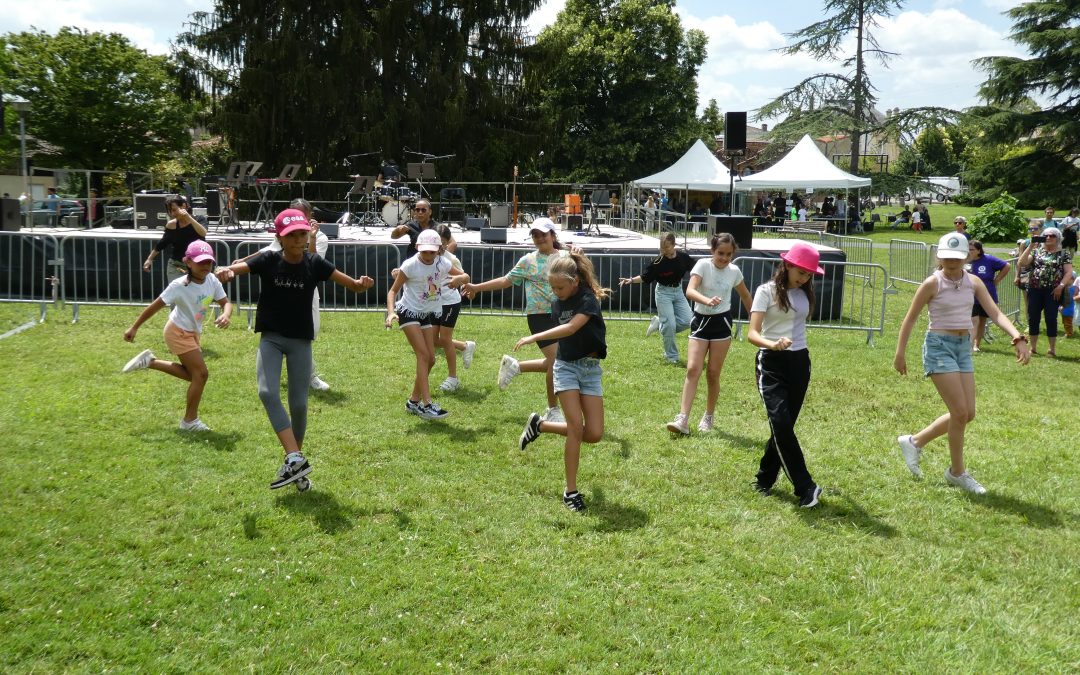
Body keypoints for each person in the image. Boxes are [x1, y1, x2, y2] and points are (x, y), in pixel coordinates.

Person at [215, 209, 375, 490]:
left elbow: (351, 285)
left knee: (299, 405)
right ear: (280, 237)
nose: (300, 239)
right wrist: (227, 271)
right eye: (293, 235)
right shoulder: (268, 259)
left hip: (300, 341)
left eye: (303, 233)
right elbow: (237, 269)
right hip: (272, 339)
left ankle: (295, 465)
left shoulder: (315, 263)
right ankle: (294, 457)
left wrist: (361, 285)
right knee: (266, 392)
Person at [895, 233, 1030, 495]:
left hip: (963, 348)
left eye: (957, 257)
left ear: (967, 256)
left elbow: (996, 313)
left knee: (968, 414)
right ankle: (957, 472)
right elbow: (910, 319)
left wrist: (1017, 337)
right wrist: (900, 353)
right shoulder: (932, 283)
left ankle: (915, 441)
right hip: (938, 347)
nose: (951, 261)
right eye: (946, 256)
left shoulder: (974, 282)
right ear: (938, 255)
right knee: (959, 413)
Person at [517, 252, 609, 513]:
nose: (555, 292)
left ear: (575, 281)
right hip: (566, 368)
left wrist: (533, 338)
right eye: (552, 287)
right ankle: (571, 491)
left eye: (560, 287)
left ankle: (541, 426)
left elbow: (570, 329)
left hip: (590, 370)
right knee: (576, 428)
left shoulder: (588, 300)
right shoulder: (558, 303)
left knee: (594, 434)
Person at [462, 218, 575, 423]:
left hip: (565, 315)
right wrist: (476, 287)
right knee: (557, 361)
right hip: (539, 317)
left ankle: (515, 367)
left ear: (552, 235)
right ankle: (552, 409)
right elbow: (506, 281)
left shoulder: (566, 257)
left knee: (558, 361)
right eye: (535, 235)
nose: (539, 238)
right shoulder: (528, 260)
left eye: (543, 234)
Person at [121, 240, 232, 432]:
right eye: (200, 262)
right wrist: (134, 327)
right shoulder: (179, 285)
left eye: (209, 262)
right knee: (201, 374)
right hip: (177, 332)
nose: (206, 266)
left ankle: (151, 362)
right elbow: (154, 307)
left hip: (192, 332)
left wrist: (226, 314)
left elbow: (226, 303)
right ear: (188, 262)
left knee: (194, 376)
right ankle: (189, 421)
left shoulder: (213, 281)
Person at [747, 241, 825, 508]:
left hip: (800, 363)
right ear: (787, 265)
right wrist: (772, 344)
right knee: (780, 423)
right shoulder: (765, 291)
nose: (805, 277)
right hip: (771, 362)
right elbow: (752, 333)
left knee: (783, 427)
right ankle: (805, 486)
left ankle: (763, 480)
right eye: (801, 272)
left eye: (809, 274)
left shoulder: (805, 294)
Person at [233, 198, 333, 391]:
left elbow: (313, 262)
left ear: (310, 216)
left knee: (307, 335)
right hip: (281, 292)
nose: (295, 219)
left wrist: (311, 237)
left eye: (301, 215)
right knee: (277, 335)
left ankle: (307, 375)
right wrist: (242, 261)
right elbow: (268, 252)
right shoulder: (284, 233)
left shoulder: (319, 237)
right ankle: (281, 372)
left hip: (305, 294)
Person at [666, 233, 753, 435]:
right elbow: (690, 290)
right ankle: (683, 419)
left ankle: (709, 416)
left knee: (713, 373)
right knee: (693, 369)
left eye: (728, 254)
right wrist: (706, 301)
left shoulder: (734, 271)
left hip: (722, 324)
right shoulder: (703, 266)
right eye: (720, 253)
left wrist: (757, 322)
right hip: (701, 321)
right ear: (712, 251)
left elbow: (746, 295)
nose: (723, 258)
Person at [385, 229, 466, 420]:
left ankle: (413, 401)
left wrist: (460, 279)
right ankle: (427, 404)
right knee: (423, 355)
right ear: (417, 248)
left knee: (431, 359)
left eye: (433, 251)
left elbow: (465, 276)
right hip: (408, 312)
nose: (429, 255)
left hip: (426, 314)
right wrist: (391, 313)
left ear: (439, 249)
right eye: (425, 251)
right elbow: (392, 291)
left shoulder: (443, 262)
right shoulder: (410, 265)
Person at [618, 232, 695, 364]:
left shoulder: (683, 258)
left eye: (667, 247)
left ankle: (659, 323)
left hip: (678, 291)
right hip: (663, 293)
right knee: (669, 325)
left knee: (689, 320)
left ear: (674, 245)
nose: (664, 250)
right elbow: (645, 277)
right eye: (662, 247)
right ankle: (671, 357)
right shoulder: (658, 262)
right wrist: (630, 280)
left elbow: (696, 269)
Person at [431, 224, 475, 393]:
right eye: (436, 242)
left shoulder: (450, 259)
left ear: (448, 242)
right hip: (433, 302)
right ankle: (465, 346)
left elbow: (465, 277)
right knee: (434, 341)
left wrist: (461, 282)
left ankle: (452, 378)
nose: (439, 247)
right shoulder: (426, 256)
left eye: (443, 243)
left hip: (450, 302)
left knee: (445, 338)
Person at [1018, 226, 1073, 356]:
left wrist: (1060, 286)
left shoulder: (1063, 253)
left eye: (1052, 236)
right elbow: (1022, 263)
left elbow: (1068, 272)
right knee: (1033, 318)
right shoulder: (1037, 251)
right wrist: (1030, 246)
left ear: (1058, 238)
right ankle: (1033, 347)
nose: (1048, 238)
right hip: (1035, 289)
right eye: (1046, 235)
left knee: (1051, 318)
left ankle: (1052, 349)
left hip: (1053, 291)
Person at [144, 196, 208, 283]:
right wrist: (149, 259)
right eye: (169, 211)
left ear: (184, 206)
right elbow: (162, 243)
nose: (172, 214)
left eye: (174, 210)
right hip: (177, 266)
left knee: (197, 294)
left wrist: (188, 217)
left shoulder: (200, 219)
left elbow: (203, 233)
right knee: (178, 293)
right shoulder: (171, 225)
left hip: (199, 265)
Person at [966, 240, 1010, 353]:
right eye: (968, 249)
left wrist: (997, 280)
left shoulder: (988, 259)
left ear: (979, 250)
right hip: (969, 295)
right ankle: (969, 344)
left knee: (982, 320)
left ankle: (977, 344)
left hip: (987, 295)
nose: (969, 252)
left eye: (972, 250)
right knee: (973, 319)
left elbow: (1007, 266)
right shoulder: (965, 260)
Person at [390, 198, 454, 258]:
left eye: (423, 210)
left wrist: (443, 258)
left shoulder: (437, 227)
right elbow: (393, 236)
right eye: (417, 210)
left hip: (431, 263)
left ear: (430, 212)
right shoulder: (411, 225)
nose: (420, 212)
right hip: (414, 263)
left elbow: (452, 243)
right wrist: (397, 230)